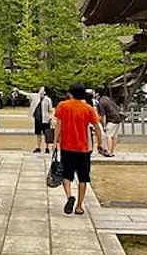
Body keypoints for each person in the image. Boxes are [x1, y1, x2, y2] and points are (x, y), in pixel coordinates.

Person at [54, 82, 105, 216]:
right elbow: (97, 127)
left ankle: (69, 195)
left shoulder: (62, 106)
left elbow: (58, 124)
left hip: (66, 146)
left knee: (67, 175)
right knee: (83, 177)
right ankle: (79, 206)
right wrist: (99, 143)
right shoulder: (88, 108)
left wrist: (55, 141)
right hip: (84, 147)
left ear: (69, 93)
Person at [95, 87, 123, 157]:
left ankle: (109, 151)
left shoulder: (101, 102)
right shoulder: (107, 98)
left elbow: (103, 115)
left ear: (97, 94)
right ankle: (112, 151)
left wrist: (104, 125)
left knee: (109, 136)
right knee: (115, 136)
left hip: (111, 119)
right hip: (118, 118)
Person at [33, 86, 54, 153]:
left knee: (46, 134)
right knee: (38, 133)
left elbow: (50, 110)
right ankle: (38, 147)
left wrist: (50, 118)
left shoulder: (48, 100)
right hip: (38, 118)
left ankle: (47, 147)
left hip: (45, 119)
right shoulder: (36, 99)